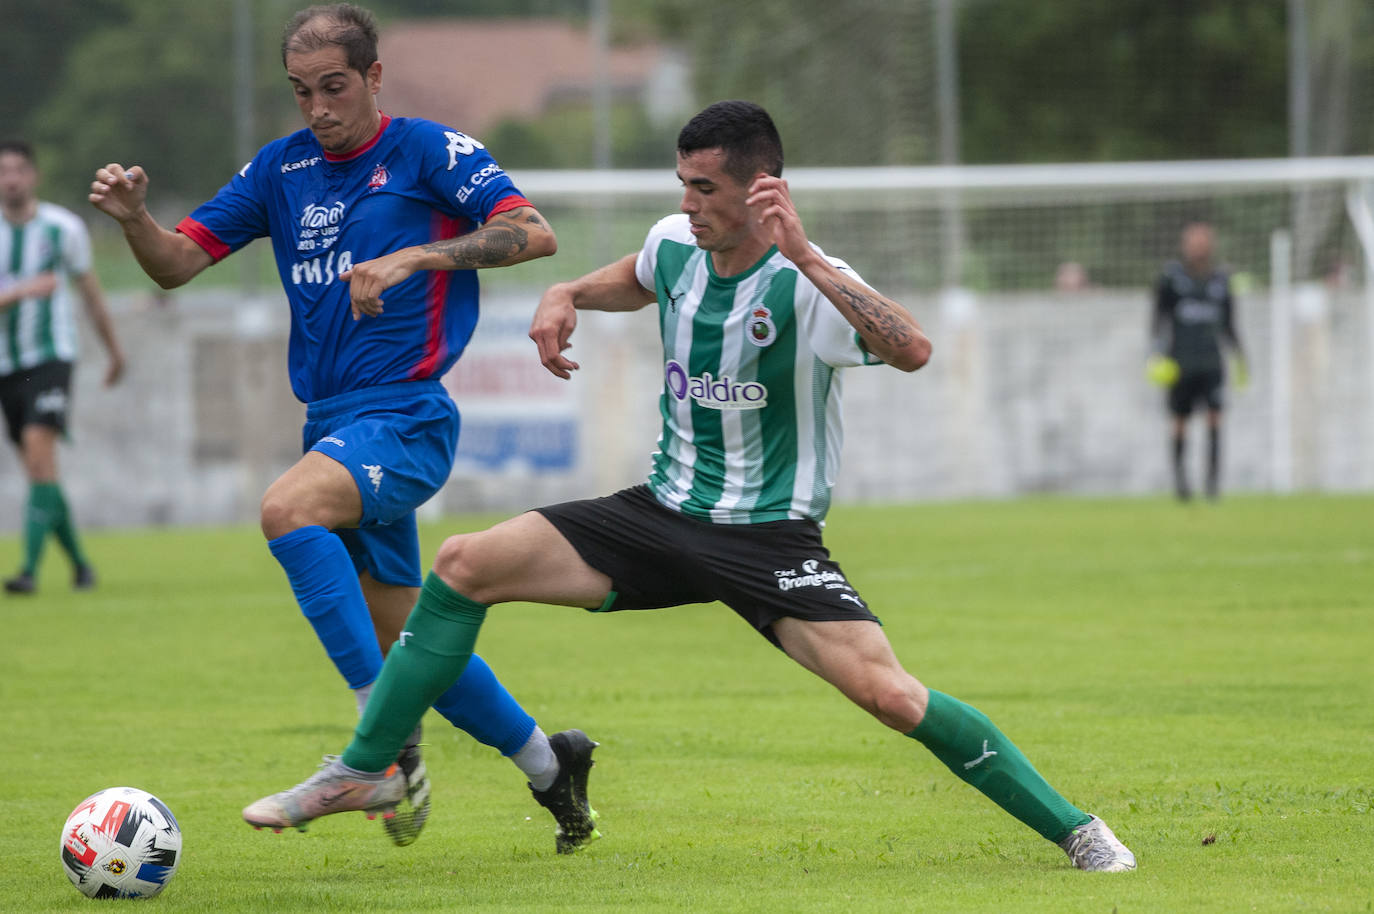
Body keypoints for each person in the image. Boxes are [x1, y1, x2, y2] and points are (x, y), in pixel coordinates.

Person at [244, 100, 1138, 873]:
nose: (685, 203)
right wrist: (564, 294)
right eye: (683, 184)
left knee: (893, 698)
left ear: (760, 191)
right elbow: (635, 279)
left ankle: (1077, 830)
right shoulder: (676, 243)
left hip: (767, 541)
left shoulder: (807, 284)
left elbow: (912, 350)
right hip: (658, 515)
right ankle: (371, 763)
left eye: (703, 188)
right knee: (465, 562)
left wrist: (815, 261)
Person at [88, 3, 598, 853]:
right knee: (408, 632)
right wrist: (136, 219)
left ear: (373, 78)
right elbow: (177, 263)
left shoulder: (428, 151)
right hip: (331, 421)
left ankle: (375, 745)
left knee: (287, 512)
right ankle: (554, 768)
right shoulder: (278, 169)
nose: (318, 108)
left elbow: (531, 232)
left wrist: (412, 257)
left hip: (404, 415)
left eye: (333, 88)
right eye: (301, 92)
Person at [1, 139, 125, 595]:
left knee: (38, 457)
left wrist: (114, 351)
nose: (11, 179)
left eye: (18, 169)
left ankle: (28, 572)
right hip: (7, 367)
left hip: (51, 358)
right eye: (3, 171)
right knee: (42, 472)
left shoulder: (63, 228)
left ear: (32, 175)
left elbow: (90, 293)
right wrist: (19, 292)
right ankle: (81, 565)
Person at [1148, 221, 1247, 501]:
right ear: (1185, 245)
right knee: (1179, 421)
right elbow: (1158, 319)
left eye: (1203, 242)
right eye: (1193, 242)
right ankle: (1181, 485)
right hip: (1179, 363)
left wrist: (1240, 357)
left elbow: (1230, 324)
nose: (1198, 247)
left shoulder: (1221, 280)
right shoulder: (1171, 278)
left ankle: (1212, 485)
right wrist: (1155, 353)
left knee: (1215, 419)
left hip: (1212, 363)